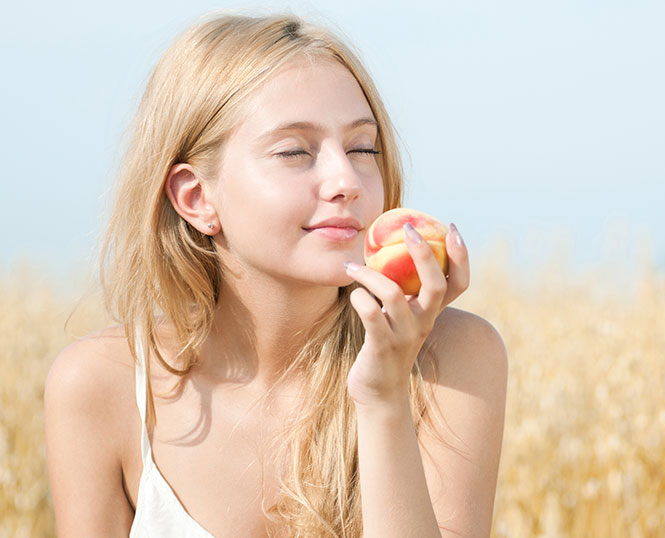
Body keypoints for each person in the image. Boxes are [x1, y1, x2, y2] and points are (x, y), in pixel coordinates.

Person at [43, 11, 508, 538]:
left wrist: (384, 398)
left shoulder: (450, 359)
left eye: (362, 148)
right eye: (295, 152)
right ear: (196, 198)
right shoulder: (101, 385)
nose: (347, 180)